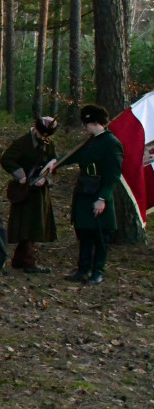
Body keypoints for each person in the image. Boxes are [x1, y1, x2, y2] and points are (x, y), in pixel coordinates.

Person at [55, 104, 124, 285]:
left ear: (95, 122)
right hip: (84, 192)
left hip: (98, 193)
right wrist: (54, 163)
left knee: (100, 237)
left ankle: (97, 271)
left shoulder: (111, 143)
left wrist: (103, 199)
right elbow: (72, 156)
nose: (85, 127)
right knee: (84, 233)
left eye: (87, 123)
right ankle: (83, 269)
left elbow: (113, 175)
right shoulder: (90, 141)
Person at [0, 117, 59, 274]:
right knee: (27, 226)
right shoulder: (23, 142)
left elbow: (53, 163)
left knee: (34, 225)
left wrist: (45, 178)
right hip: (25, 191)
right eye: (42, 134)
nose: (44, 138)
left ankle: (20, 260)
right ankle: (28, 262)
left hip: (40, 192)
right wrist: (22, 176)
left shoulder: (48, 144)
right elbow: (7, 159)